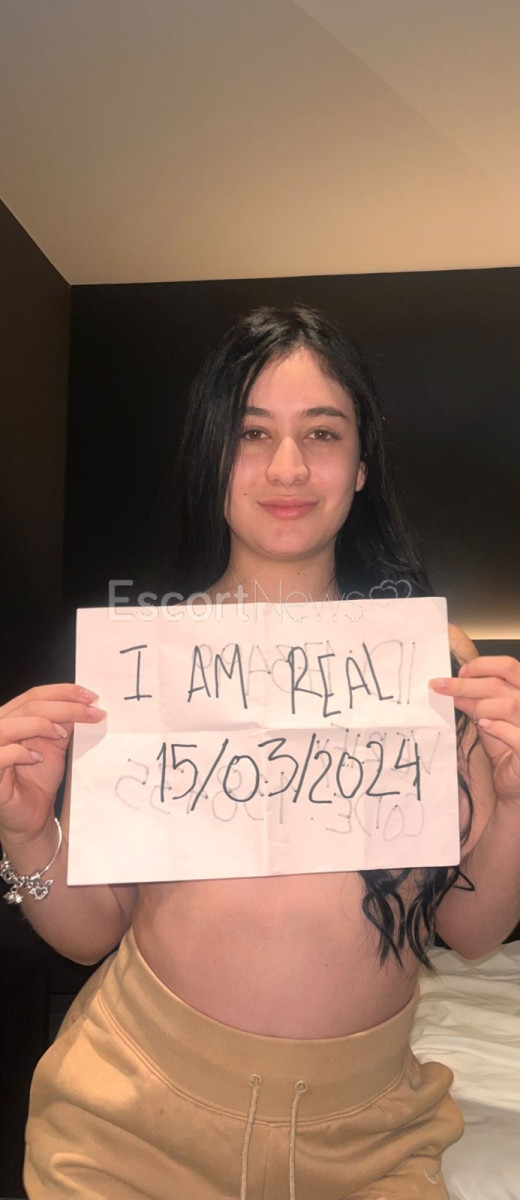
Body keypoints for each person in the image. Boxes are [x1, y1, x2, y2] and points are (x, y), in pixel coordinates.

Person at [1, 304, 519, 1200]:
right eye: (251, 433)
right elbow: (90, 936)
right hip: (130, 1121)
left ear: (362, 466)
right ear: (213, 458)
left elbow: (472, 932)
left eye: (322, 432)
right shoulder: (144, 666)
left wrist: (514, 800)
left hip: (367, 1138)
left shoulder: (430, 665)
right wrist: (25, 832)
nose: (287, 467)